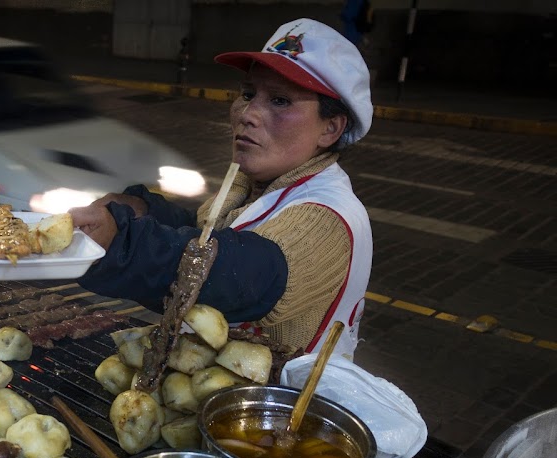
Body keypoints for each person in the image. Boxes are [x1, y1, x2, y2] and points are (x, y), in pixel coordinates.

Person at [69, 18, 373, 359]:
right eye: (247, 94)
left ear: (330, 129)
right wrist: (141, 209)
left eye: (280, 101)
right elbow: (205, 237)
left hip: (285, 404)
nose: (248, 113)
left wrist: (120, 241)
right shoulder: (249, 188)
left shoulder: (328, 217)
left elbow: (236, 275)